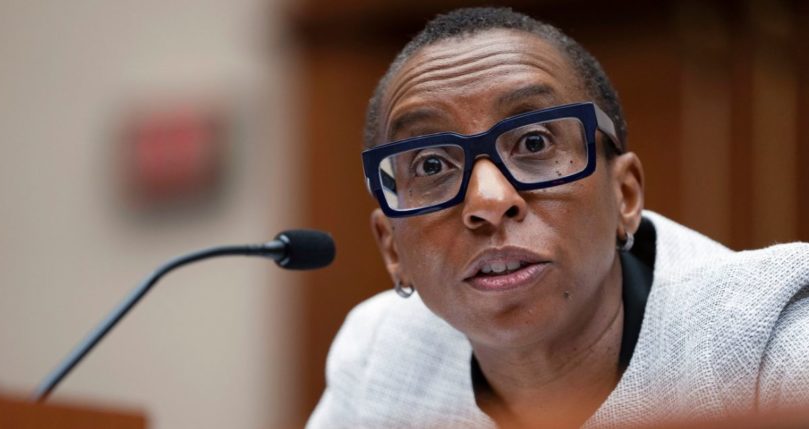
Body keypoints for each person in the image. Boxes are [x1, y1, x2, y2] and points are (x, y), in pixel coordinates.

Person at [307, 7, 809, 429]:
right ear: (393, 250)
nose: (488, 200)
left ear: (626, 195)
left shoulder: (768, 335)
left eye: (534, 143)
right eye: (432, 166)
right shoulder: (379, 355)